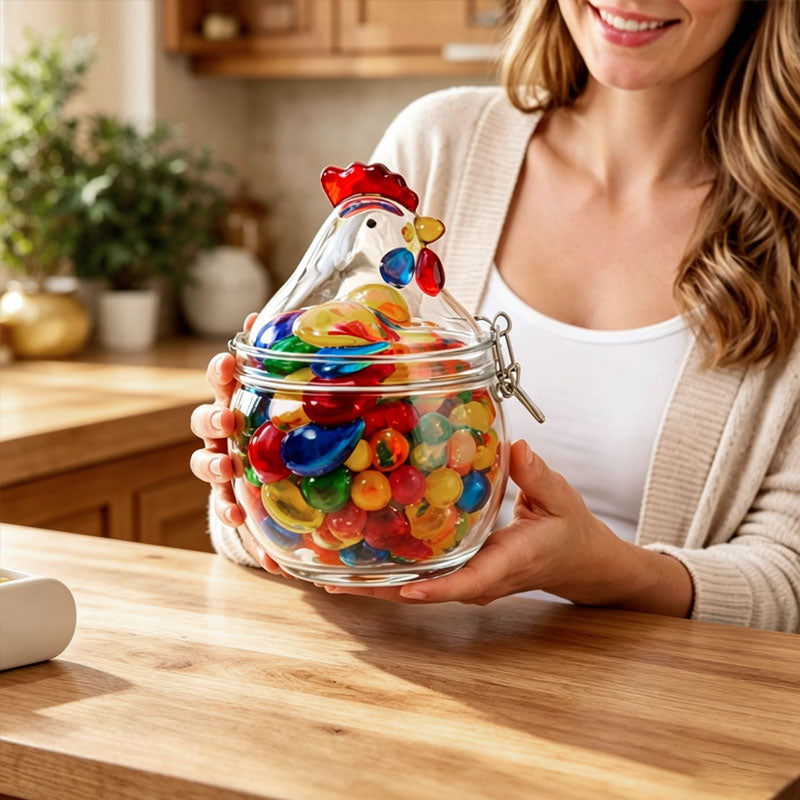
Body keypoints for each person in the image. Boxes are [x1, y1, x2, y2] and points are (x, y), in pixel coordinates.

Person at [190, 0, 800, 632]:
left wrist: (598, 569)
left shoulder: (790, 223)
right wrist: (246, 478)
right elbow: (306, 510)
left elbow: (788, 584)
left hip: (658, 687)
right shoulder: (438, 145)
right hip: (397, 670)